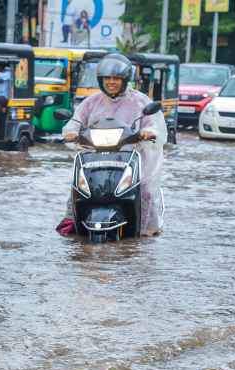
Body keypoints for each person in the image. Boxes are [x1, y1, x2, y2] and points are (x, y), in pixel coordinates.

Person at [60, 53, 166, 236]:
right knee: (77, 189)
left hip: (131, 157)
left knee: (146, 191)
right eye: (107, 78)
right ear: (100, 80)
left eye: (116, 78)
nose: (111, 82)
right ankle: (73, 224)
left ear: (125, 79)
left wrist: (149, 132)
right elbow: (76, 121)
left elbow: (153, 123)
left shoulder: (140, 101)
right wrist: (71, 132)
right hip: (96, 157)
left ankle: (146, 230)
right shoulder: (91, 102)